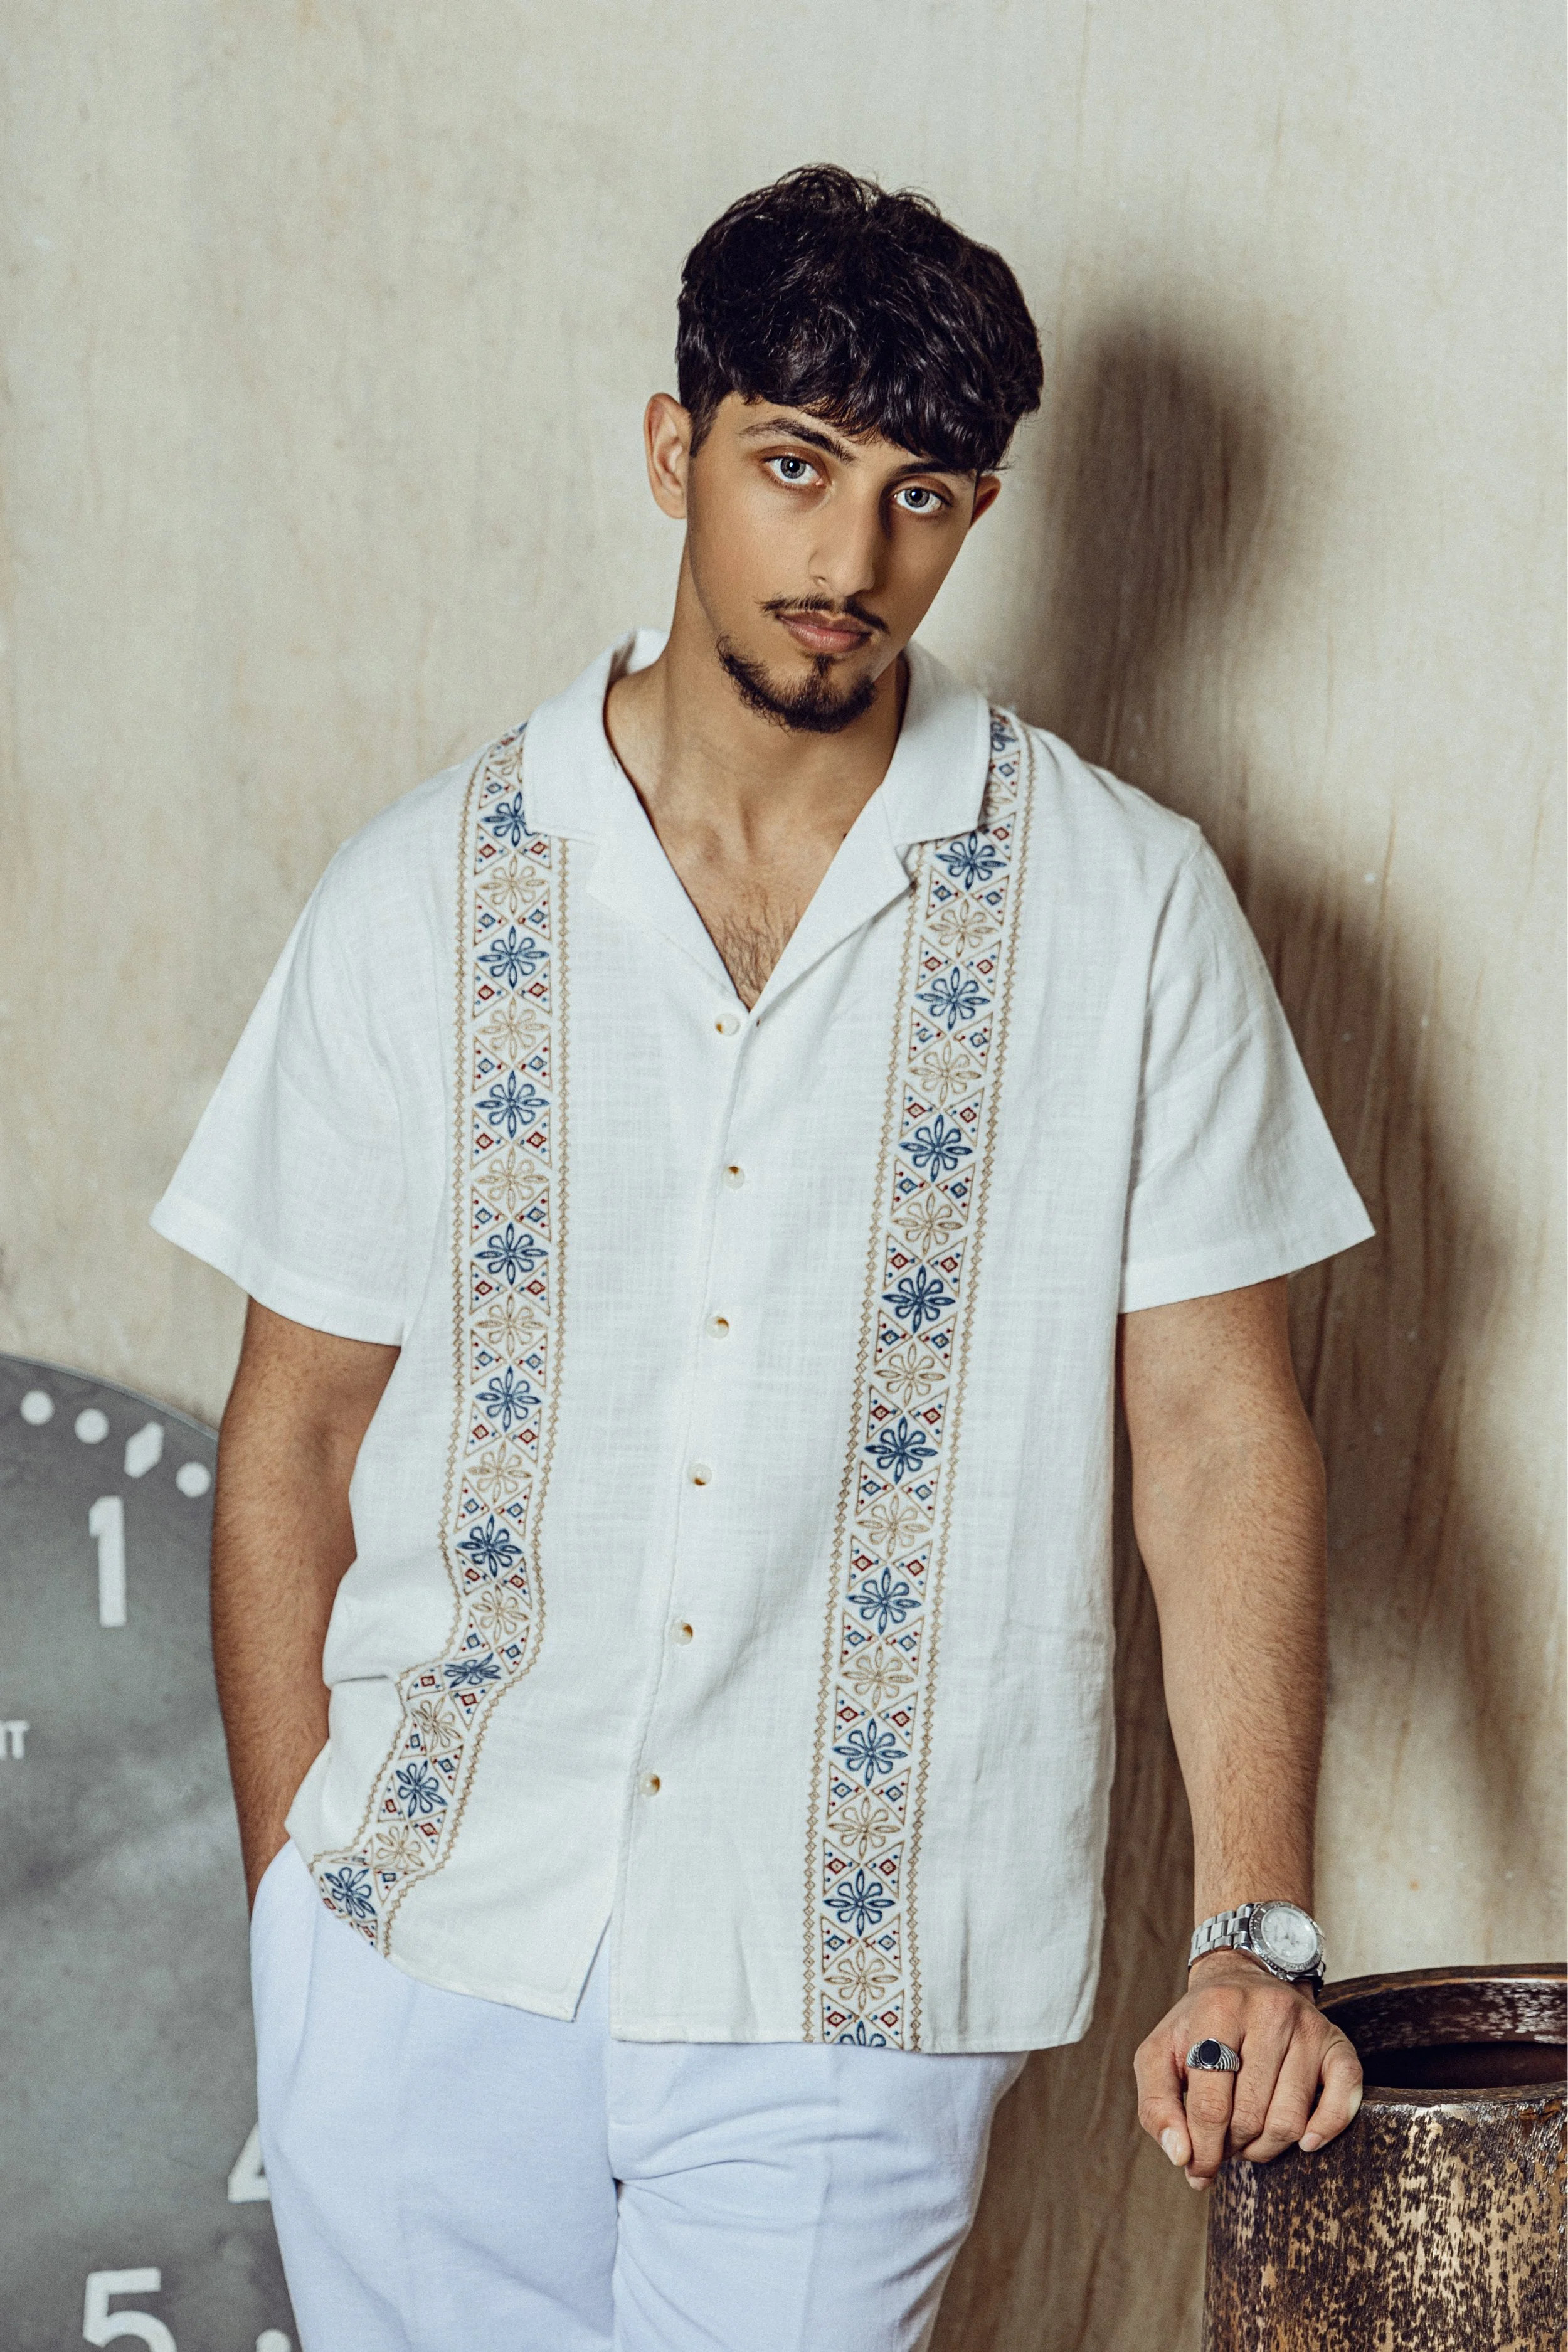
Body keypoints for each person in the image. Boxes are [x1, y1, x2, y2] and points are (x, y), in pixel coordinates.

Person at [152, 165, 1372, 2352]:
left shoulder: (1127, 906)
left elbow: (1214, 1427)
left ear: (980, 511)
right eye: (792, 468)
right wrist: (295, 1916)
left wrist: (1252, 1926)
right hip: (422, 1939)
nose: (846, 560)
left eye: (922, 494)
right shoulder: (418, 892)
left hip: (855, 1963)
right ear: (673, 449)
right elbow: (294, 1438)